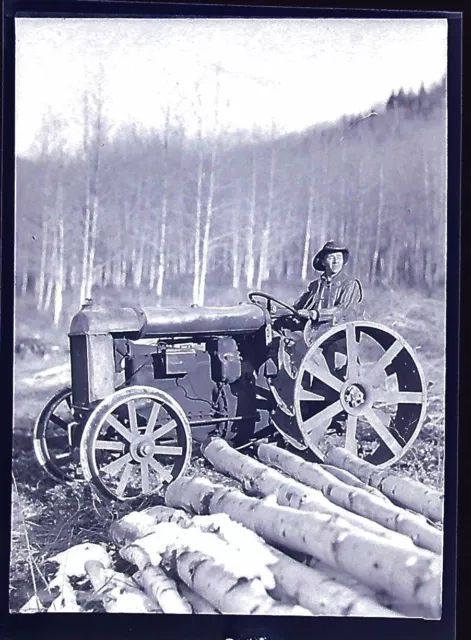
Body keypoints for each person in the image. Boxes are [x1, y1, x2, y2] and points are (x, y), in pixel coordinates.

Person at [290, 241, 363, 435]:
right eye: (331, 257)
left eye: (339, 258)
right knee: (292, 349)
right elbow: (298, 309)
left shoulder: (350, 285)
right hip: (316, 339)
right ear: (323, 261)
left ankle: (338, 421)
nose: (335, 261)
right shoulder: (316, 286)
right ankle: (302, 410)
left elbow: (344, 311)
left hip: (340, 339)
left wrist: (315, 314)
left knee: (335, 369)